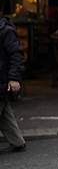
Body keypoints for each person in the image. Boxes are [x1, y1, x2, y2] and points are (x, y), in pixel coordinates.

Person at [0, 16, 25, 152]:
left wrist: (14, 78)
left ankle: (17, 142)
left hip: (2, 78)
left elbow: (16, 55)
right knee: (4, 112)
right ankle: (17, 141)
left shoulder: (6, 31)